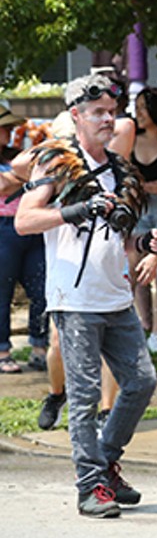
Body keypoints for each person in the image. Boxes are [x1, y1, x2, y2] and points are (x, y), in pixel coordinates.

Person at [15, 73, 157, 518]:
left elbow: (121, 239)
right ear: (76, 116)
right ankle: (89, 486)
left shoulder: (121, 171)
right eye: (96, 112)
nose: (107, 119)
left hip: (115, 296)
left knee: (142, 382)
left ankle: (105, 460)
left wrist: (148, 243)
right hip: (74, 299)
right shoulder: (58, 164)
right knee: (83, 396)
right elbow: (25, 220)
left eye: (110, 111)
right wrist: (77, 208)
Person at [114, 87, 157, 354]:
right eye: (136, 107)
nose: (138, 114)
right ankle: (144, 321)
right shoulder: (132, 139)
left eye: (142, 107)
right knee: (136, 266)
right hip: (140, 208)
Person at [1, 105, 47, 375]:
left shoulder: (16, 155)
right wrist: (23, 176)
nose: (9, 132)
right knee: (1, 293)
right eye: (4, 127)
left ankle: (39, 346)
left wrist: (16, 176)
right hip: (3, 228)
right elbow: (2, 186)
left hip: (32, 227)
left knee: (41, 288)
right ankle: (2, 350)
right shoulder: (20, 164)